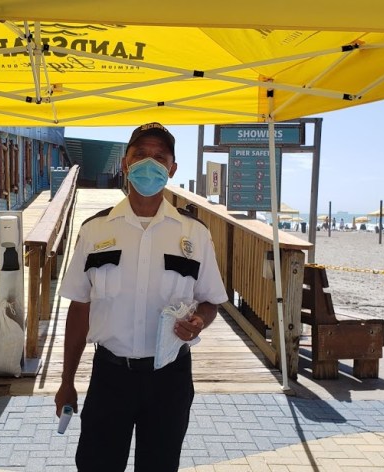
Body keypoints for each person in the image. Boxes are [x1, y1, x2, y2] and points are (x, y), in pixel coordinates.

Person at [55, 122, 229, 471]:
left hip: (170, 377)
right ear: (126, 163)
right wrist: (67, 381)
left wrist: (199, 322)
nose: (149, 163)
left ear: (172, 168)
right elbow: (79, 308)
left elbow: (210, 301)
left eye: (160, 157)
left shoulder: (195, 233)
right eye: (140, 155)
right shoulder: (95, 230)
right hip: (110, 376)